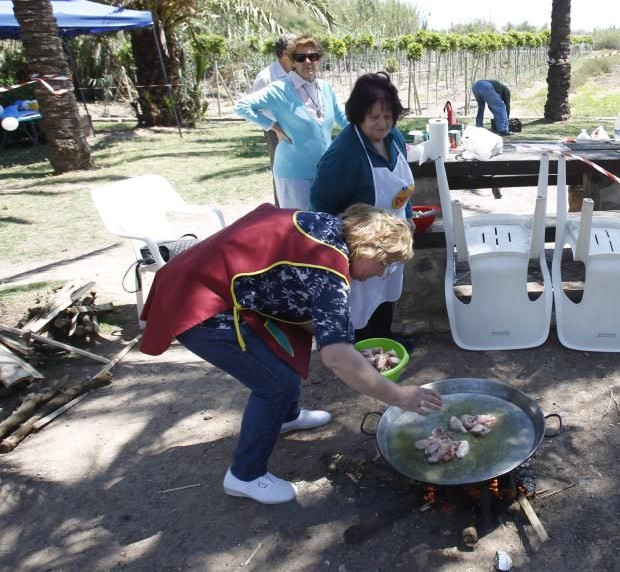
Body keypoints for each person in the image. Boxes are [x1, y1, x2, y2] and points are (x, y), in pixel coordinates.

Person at [138, 203, 442, 505]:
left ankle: (285, 416)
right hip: (199, 304)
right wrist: (399, 396)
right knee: (275, 384)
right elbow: (335, 357)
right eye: (384, 264)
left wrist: (344, 347)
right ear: (370, 249)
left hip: (203, 280)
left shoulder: (327, 226)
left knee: (281, 356)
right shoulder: (329, 268)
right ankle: (245, 475)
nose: (380, 274)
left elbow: (318, 324)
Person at [310, 72, 414, 344]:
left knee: (387, 289)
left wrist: (410, 217)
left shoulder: (395, 139)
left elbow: (403, 187)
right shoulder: (344, 154)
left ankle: (384, 336)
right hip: (362, 244)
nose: (382, 124)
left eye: (388, 116)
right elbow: (321, 204)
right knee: (362, 298)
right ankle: (360, 345)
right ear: (358, 116)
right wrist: (342, 248)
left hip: (392, 235)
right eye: (374, 117)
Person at [235, 36, 348, 210]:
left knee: (325, 227)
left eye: (313, 56)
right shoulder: (280, 89)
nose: (308, 61)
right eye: (301, 57)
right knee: (299, 230)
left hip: (325, 172)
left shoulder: (326, 88)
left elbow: (343, 120)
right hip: (294, 175)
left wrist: (370, 132)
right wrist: (272, 126)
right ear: (292, 61)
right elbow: (242, 106)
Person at [250, 33, 297, 204]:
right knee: (282, 173)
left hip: (298, 130)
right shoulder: (266, 78)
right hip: (276, 133)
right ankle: (281, 214)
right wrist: (275, 127)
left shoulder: (296, 72)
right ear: (285, 53)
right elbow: (253, 109)